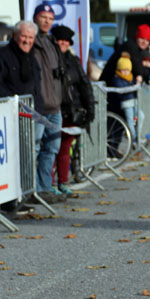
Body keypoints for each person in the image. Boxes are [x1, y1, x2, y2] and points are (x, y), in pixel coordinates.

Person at [0, 21, 43, 214]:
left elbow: (37, 86)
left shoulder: (33, 57)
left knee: (28, 156)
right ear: (14, 36)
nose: (27, 41)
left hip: (32, 115)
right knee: (13, 159)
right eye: (23, 37)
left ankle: (23, 194)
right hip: (10, 116)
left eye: (30, 38)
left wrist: (39, 109)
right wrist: (13, 102)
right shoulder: (1, 57)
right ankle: (9, 202)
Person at [51, 25, 95, 196]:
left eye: (65, 41)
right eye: (59, 40)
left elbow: (85, 85)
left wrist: (89, 108)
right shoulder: (49, 59)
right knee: (51, 148)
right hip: (54, 109)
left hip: (71, 111)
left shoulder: (74, 61)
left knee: (64, 149)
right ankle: (49, 183)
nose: (62, 43)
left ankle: (63, 182)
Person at [32, 4, 67, 204]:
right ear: (36, 18)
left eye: (50, 18)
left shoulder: (52, 41)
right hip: (38, 106)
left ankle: (46, 187)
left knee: (52, 148)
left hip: (55, 105)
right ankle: (35, 188)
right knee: (35, 148)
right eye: (43, 17)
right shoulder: (31, 41)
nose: (47, 21)